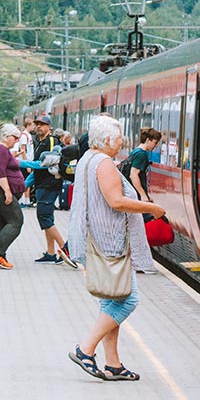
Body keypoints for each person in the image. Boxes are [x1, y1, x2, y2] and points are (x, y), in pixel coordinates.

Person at [68, 115, 166, 383]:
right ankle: (85, 349)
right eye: (119, 137)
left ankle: (113, 364)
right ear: (108, 139)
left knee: (111, 302)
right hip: (109, 243)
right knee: (128, 299)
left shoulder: (88, 158)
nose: (123, 141)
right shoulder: (104, 164)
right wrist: (151, 208)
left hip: (96, 240)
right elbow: (116, 201)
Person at [26, 117, 69, 264]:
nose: (38, 127)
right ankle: (50, 252)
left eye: (42, 125)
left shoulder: (51, 141)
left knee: (43, 217)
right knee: (48, 218)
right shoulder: (40, 142)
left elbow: (46, 163)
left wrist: (19, 163)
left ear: (49, 126)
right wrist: (25, 184)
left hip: (49, 184)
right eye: (37, 124)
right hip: (41, 184)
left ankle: (65, 248)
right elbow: (36, 170)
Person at [0, 124, 27, 269]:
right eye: (15, 138)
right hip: (1, 192)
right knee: (16, 221)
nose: (16, 141)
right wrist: (7, 192)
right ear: (6, 136)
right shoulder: (1, 149)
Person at [125, 127, 161, 201]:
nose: (156, 145)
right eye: (155, 142)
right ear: (148, 140)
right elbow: (133, 174)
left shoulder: (135, 151)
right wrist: (143, 195)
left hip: (134, 194)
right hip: (136, 196)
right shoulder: (141, 154)